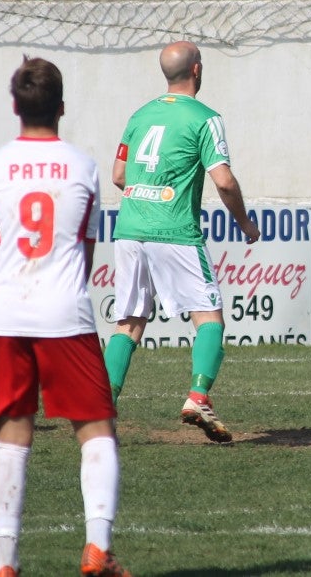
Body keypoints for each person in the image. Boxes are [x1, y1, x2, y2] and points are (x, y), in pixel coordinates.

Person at [0, 58, 129, 577]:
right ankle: (97, 549)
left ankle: (5, 565)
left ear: (15, 106)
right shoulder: (84, 166)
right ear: (61, 107)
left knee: (13, 432)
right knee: (96, 430)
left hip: (8, 314)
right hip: (66, 314)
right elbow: (86, 246)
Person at [102, 41, 261, 444]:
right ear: (197, 70)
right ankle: (197, 397)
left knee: (129, 322)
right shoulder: (206, 119)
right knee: (209, 316)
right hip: (174, 231)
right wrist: (244, 222)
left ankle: (102, 407)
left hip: (130, 229)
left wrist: (148, 190)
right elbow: (223, 180)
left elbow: (119, 174)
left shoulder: (140, 115)